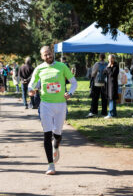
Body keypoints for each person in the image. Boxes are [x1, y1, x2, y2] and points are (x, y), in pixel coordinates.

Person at [28, 46, 77, 175]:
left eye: (49, 54)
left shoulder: (62, 66)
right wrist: (31, 91)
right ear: (42, 57)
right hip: (45, 105)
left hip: (60, 104)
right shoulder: (39, 68)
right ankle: (50, 165)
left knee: (58, 134)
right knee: (47, 134)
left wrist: (70, 93)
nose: (48, 56)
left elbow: (74, 82)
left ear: (52, 53)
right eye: (45, 55)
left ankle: (56, 145)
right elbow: (31, 84)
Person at [86, 53, 108, 118]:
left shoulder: (97, 64)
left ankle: (94, 111)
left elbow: (93, 74)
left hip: (97, 83)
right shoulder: (107, 64)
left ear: (99, 57)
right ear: (105, 57)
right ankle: (104, 112)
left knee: (95, 98)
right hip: (105, 83)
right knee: (104, 98)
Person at [104, 54, 119, 119]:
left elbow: (112, 74)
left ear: (113, 59)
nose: (109, 60)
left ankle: (111, 114)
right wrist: (108, 67)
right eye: (108, 59)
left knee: (112, 98)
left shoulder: (116, 66)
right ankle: (114, 113)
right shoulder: (108, 65)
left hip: (113, 84)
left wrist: (109, 67)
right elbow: (104, 72)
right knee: (111, 98)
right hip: (109, 84)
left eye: (110, 59)